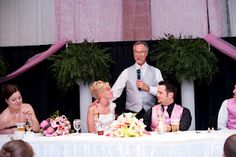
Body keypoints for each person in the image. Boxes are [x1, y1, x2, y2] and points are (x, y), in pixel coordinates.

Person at [112, 41, 163, 119]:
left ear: (146, 53)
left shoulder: (156, 71)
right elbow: (115, 92)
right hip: (131, 115)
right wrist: (101, 101)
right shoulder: (126, 72)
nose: (138, 55)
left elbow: (162, 93)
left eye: (141, 52)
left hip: (150, 114)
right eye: (136, 52)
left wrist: (148, 88)